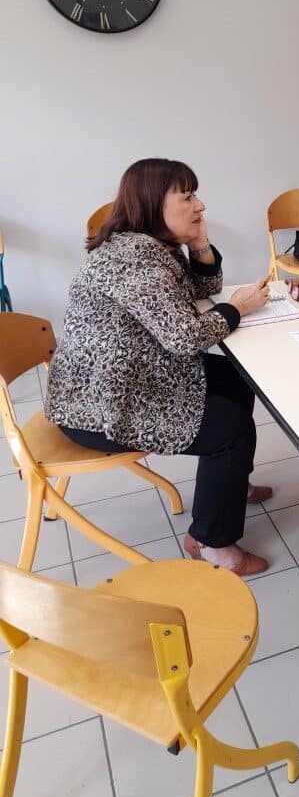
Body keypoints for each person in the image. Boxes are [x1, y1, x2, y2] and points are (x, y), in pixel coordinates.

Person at [45, 158, 272, 575]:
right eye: (187, 197)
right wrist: (237, 309)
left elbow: (202, 290)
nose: (200, 205)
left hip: (129, 378)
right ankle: (212, 543)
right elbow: (184, 337)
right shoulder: (135, 260)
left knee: (236, 378)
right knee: (231, 429)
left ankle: (230, 486)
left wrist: (200, 244)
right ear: (153, 204)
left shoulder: (150, 247)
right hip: (101, 406)